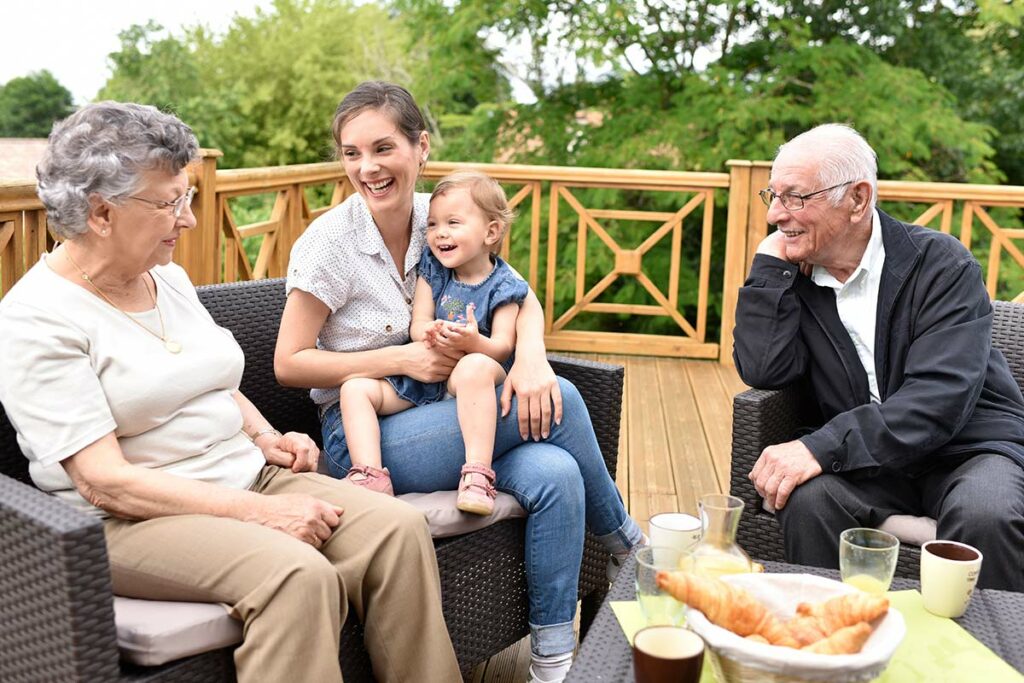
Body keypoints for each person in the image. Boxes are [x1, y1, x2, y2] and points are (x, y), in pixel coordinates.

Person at [0, 102, 461, 683]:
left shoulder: (163, 276)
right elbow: (104, 481)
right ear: (100, 213)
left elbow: (213, 378)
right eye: (170, 202)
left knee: (397, 530)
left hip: (245, 475)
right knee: (297, 575)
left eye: (187, 197)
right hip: (128, 521)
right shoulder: (34, 319)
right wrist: (262, 512)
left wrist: (266, 436)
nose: (188, 219)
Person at [275, 81, 644, 683]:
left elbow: (517, 295)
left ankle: (553, 665)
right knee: (568, 402)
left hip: (454, 414)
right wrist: (398, 361)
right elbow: (289, 362)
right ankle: (628, 544)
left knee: (557, 473)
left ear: (421, 148)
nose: (367, 168)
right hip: (368, 433)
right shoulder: (329, 244)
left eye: (383, 147)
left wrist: (532, 357)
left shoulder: (441, 215)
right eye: (351, 153)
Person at [733, 123, 1024, 591]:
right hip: (873, 462)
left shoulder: (942, 265)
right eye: (773, 195)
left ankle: (989, 654)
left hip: (968, 449)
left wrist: (820, 446)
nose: (775, 215)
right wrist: (768, 269)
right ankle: (834, 641)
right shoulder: (799, 277)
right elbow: (766, 370)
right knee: (809, 501)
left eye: (794, 198)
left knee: (986, 514)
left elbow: (939, 400)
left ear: (858, 199)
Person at [338, 170, 528, 516]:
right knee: (355, 389)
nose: (440, 233)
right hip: (425, 374)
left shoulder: (503, 286)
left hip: (468, 378)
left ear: (491, 232)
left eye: (453, 223)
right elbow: (418, 323)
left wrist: (474, 343)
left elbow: (501, 348)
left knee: (474, 367)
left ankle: (477, 475)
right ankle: (371, 477)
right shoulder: (435, 269)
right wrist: (427, 332)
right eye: (433, 225)